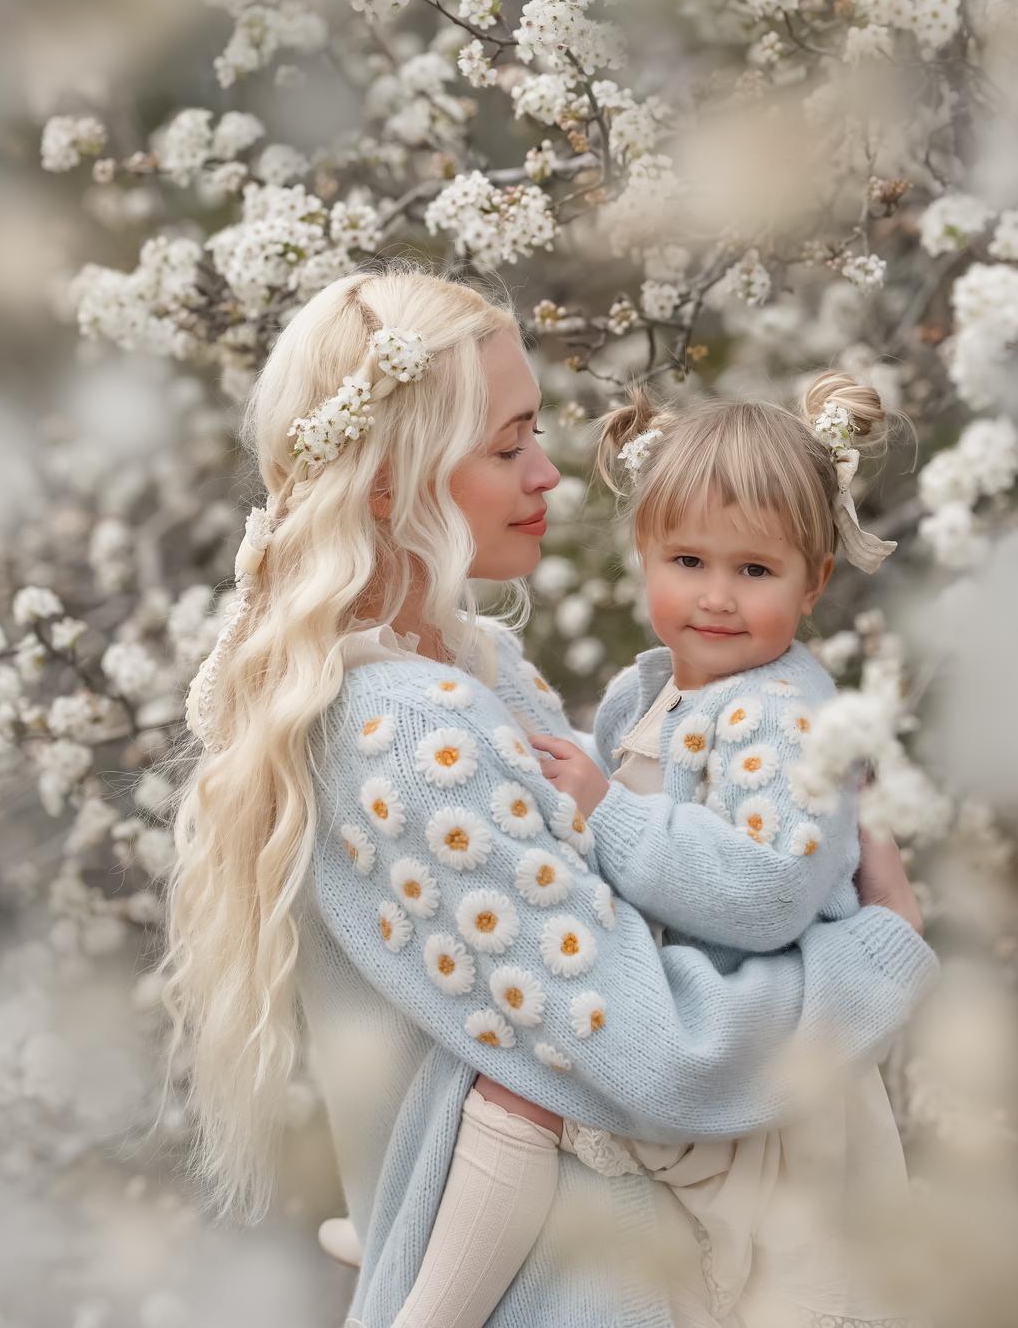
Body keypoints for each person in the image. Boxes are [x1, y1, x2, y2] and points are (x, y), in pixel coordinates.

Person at [158, 264, 936, 1328]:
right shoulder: (411, 731)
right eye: (510, 442)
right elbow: (658, 1051)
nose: (549, 475)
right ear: (393, 478)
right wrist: (880, 945)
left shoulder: (478, 668)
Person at [391, 374, 926, 1328]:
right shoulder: (663, 695)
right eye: (688, 560)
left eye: (756, 572)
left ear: (814, 583)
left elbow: (766, 890)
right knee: (496, 1055)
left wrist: (606, 814)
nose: (716, 598)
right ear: (645, 556)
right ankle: (432, 1230)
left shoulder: (781, 715)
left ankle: (430, 1300)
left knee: (520, 1096)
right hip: (680, 1015)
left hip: (753, 1061)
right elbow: (609, 813)